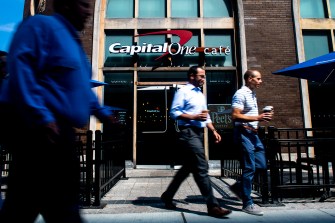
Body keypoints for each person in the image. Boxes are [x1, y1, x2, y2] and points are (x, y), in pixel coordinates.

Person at [0, 0, 118, 222]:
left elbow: (82, 88)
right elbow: (21, 68)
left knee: (50, 206)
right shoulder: (40, 26)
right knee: (39, 205)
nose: (88, 11)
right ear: (65, 5)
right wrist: (40, 115)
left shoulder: (74, 44)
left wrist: (102, 112)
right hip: (40, 133)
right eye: (82, 4)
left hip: (63, 134)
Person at [160, 66, 232, 218]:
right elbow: (174, 112)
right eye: (201, 76)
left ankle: (167, 195)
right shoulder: (183, 91)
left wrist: (213, 130)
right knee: (201, 168)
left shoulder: (200, 93)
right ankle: (213, 206)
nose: (204, 79)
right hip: (188, 133)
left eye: (204, 76)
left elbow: (205, 116)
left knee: (186, 169)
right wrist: (193, 117)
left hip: (198, 134)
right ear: (192, 76)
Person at [231, 69, 273, 216]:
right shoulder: (240, 94)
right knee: (249, 167)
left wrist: (260, 116)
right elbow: (235, 115)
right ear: (249, 79)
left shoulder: (252, 93)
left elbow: (248, 114)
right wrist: (258, 117)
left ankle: (240, 187)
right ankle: (247, 203)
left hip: (253, 134)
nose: (260, 81)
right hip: (244, 132)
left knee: (261, 165)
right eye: (258, 79)